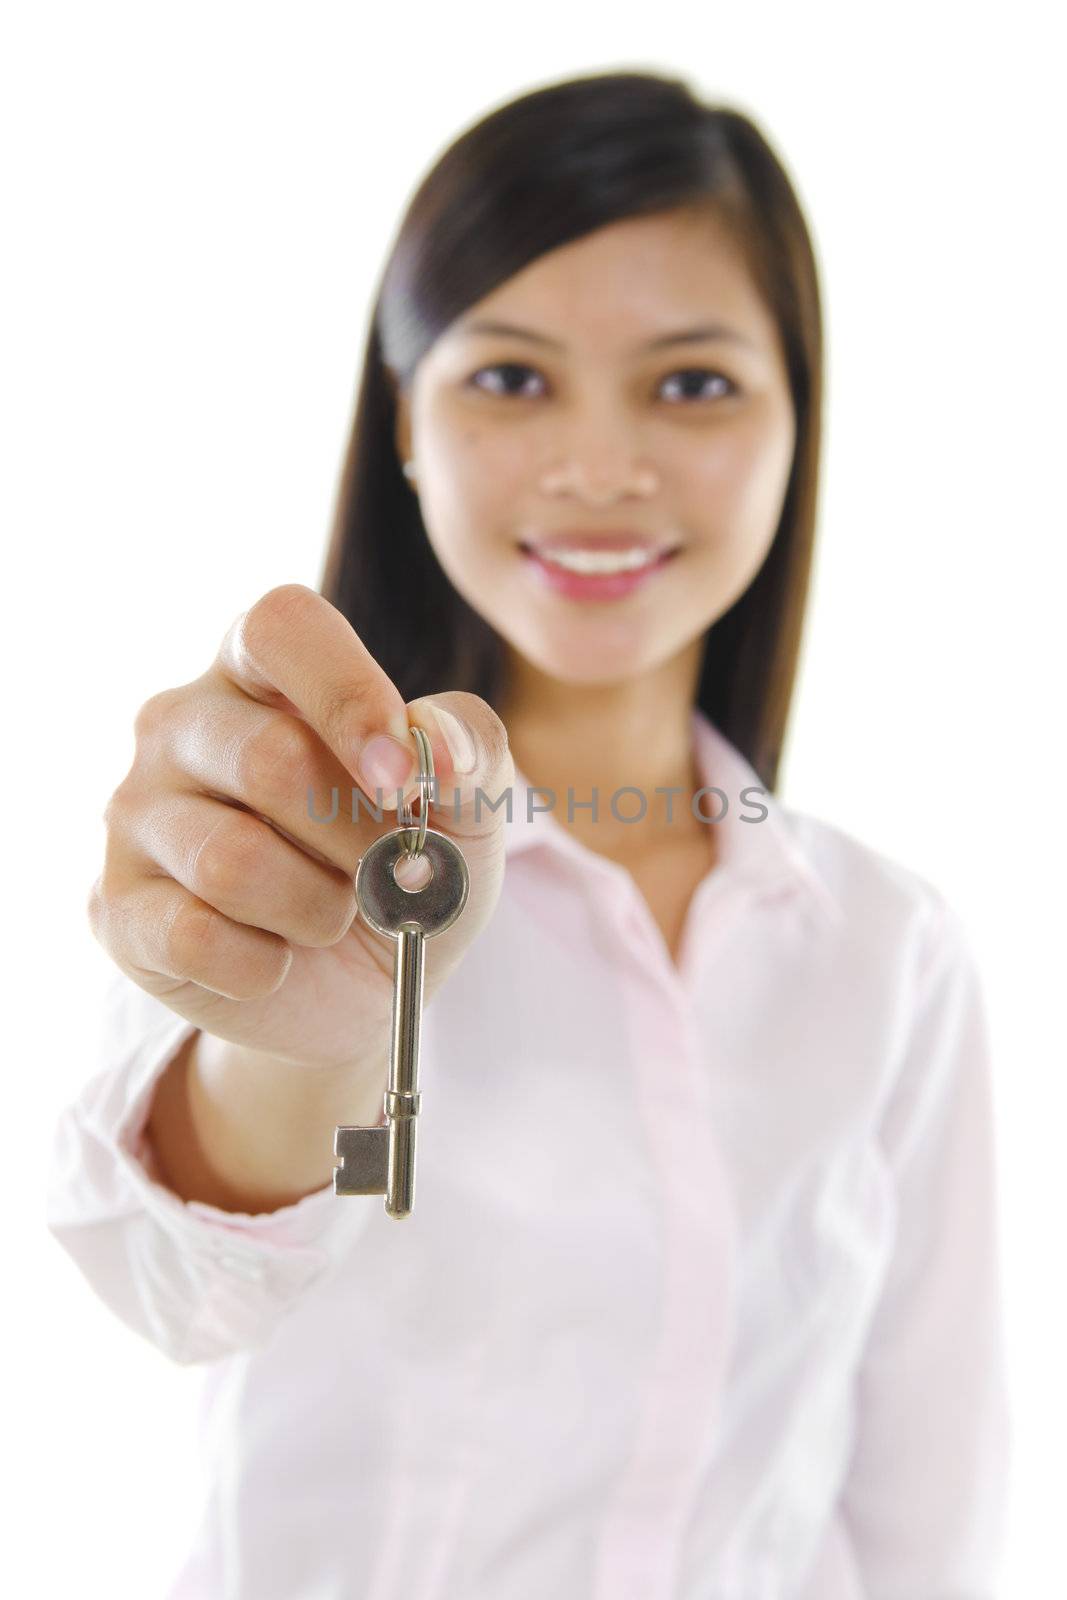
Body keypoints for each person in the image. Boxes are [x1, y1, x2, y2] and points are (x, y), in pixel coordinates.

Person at [45, 69, 1010, 1599]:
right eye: (510, 377)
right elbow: (174, 1281)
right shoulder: (292, 844)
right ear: (407, 424)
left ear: (795, 424)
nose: (599, 467)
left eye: (691, 382)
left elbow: (926, 1517)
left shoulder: (892, 953)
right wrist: (303, 1031)